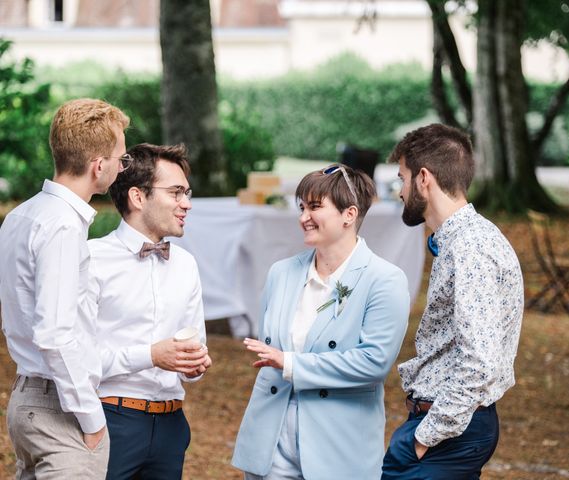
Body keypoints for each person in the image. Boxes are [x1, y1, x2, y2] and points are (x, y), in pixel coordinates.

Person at [232, 164, 410, 479]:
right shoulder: (281, 273)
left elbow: (373, 363)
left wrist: (291, 364)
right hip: (271, 445)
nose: (303, 217)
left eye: (315, 207)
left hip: (338, 449)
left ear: (349, 214)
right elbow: (268, 344)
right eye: (301, 207)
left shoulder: (384, 280)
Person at [381, 124, 524, 479]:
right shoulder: (461, 240)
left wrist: (426, 436)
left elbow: (479, 361)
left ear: (424, 178)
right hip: (442, 427)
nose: (400, 191)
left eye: (402, 178)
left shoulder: (471, 248)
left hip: (448, 433)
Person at [0, 98, 130, 478]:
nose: (122, 167)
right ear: (98, 165)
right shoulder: (61, 226)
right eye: (120, 159)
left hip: (27, 396)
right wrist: (92, 420)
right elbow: (55, 334)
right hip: (60, 406)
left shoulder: (21, 215)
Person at [82, 143, 212, 479]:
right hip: (110, 421)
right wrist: (151, 355)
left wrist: (195, 363)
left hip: (172, 426)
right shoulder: (91, 259)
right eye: (176, 192)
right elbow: (77, 360)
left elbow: (191, 362)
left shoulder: (186, 264)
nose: (187, 203)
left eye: (187, 192)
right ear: (138, 197)